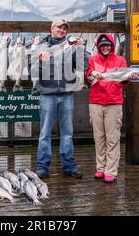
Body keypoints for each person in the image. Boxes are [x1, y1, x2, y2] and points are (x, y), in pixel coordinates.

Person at [30, 18, 89, 179]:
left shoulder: (72, 46)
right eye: (59, 27)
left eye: (64, 28)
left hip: (66, 94)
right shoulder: (40, 47)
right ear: (51, 29)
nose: (62, 30)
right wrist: (41, 63)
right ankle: (42, 167)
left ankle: (69, 166)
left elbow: (83, 66)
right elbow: (33, 71)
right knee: (44, 133)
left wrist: (81, 49)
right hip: (47, 94)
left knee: (68, 133)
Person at [86, 33, 131, 184]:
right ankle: (100, 168)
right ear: (98, 47)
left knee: (112, 138)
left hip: (114, 102)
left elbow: (121, 82)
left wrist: (126, 78)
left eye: (108, 45)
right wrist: (92, 73)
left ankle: (110, 171)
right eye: (102, 45)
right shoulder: (92, 59)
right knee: (99, 138)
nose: (105, 48)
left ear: (112, 46)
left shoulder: (121, 61)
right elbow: (88, 76)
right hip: (96, 102)